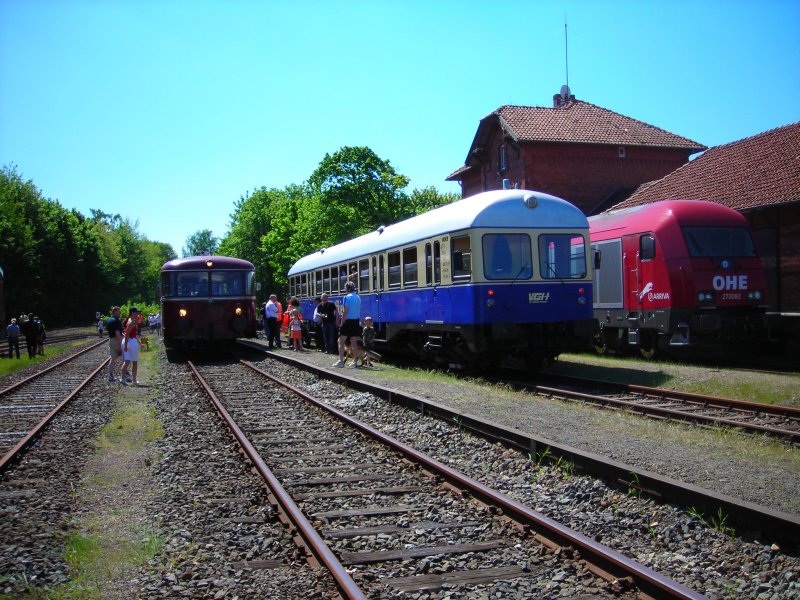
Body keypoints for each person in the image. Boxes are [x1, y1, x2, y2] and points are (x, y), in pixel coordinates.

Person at [334, 281, 363, 368]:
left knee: (340, 341)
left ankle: (341, 361)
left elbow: (345, 312)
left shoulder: (346, 297)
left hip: (348, 321)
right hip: (356, 321)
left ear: (347, 288)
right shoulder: (358, 297)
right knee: (353, 342)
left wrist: (342, 322)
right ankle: (354, 362)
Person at [121, 306, 142, 386]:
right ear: (133, 313)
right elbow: (127, 335)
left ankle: (123, 379)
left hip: (129, 341)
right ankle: (134, 380)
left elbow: (132, 334)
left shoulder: (131, 321)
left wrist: (139, 342)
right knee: (134, 362)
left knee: (127, 361)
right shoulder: (131, 322)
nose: (138, 314)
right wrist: (126, 346)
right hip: (130, 342)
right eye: (136, 312)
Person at [106, 306, 124, 381]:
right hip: (117, 340)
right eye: (119, 311)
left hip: (111, 340)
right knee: (125, 357)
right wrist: (120, 345)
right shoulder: (116, 321)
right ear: (115, 312)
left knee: (113, 358)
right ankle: (125, 373)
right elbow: (117, 333)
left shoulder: (109, 320)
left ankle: (110, 375)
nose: (120, 313)